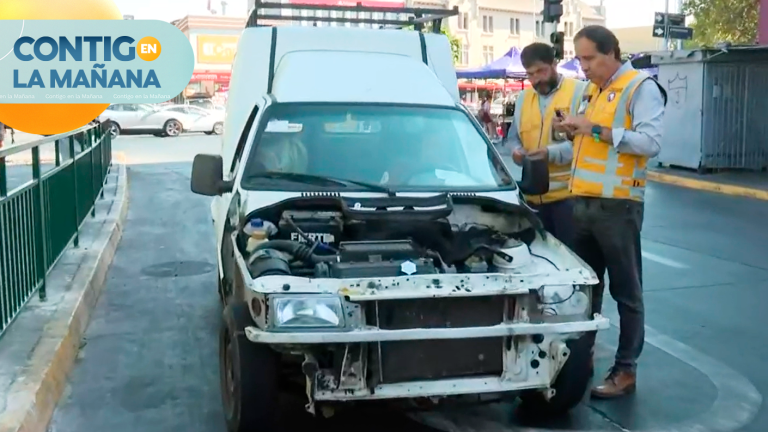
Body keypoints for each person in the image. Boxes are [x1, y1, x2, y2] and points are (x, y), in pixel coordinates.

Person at [559, 25, 667, 399]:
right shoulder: (592, 90)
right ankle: (580, 361)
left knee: (627, 293)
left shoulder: (641, 87)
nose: (583, 67)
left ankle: (625, 371)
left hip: (618, 206)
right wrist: (571, 132)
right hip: (583, 205)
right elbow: (587, 144)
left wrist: (597, 130)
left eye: (589, 58)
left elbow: (651, 143)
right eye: (579, 59)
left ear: (612, 53)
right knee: (586, 292)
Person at [505, 42, 587, 247]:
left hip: (569, 199)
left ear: (554, 64)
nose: (535, 79)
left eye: (541, 71)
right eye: (530, 74)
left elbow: (584, 143)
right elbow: (513, 138)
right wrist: (515, 151)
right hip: (533, 197)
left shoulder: (580, 92)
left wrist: (548, 153)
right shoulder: (524, 98)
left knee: (573, 258)